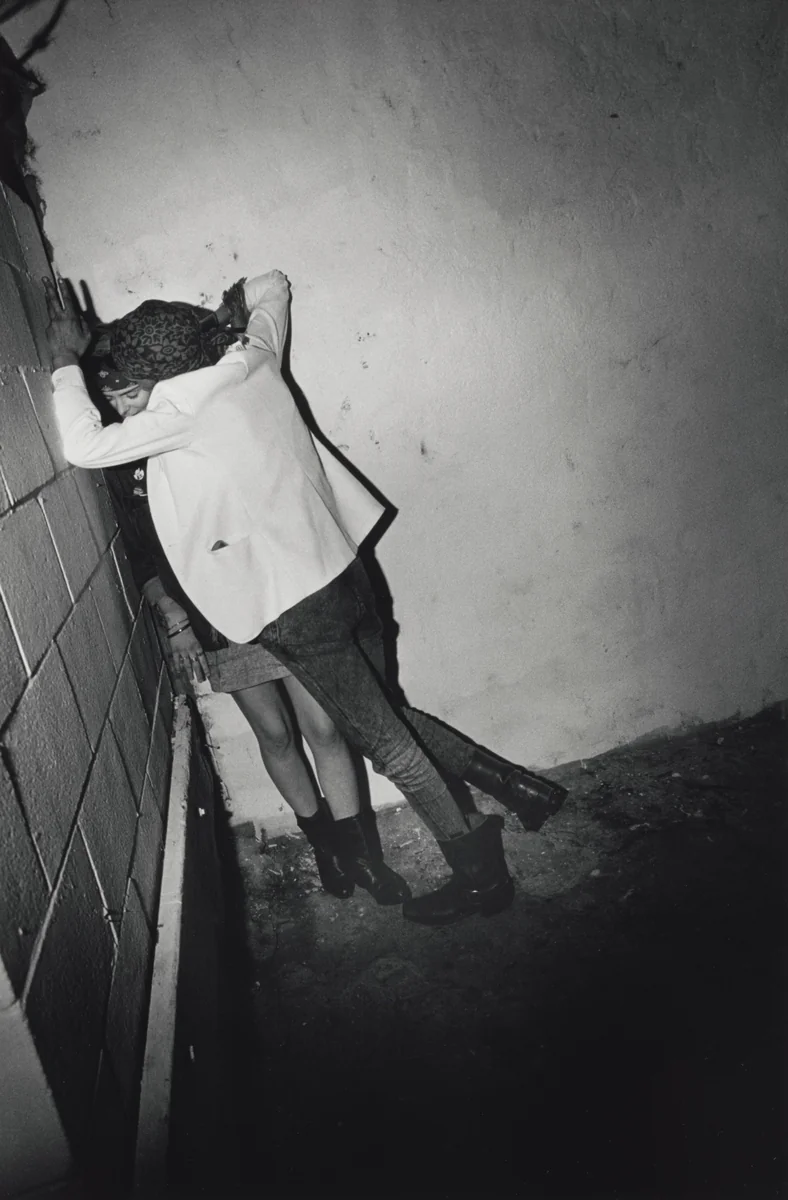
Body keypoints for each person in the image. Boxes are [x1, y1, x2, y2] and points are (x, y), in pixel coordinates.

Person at [46, 269, 567, 926]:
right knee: (388, 713)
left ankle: (480, 875)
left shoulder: (183, 412)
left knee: (387, 742)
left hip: (297, 609)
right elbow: (272, 285)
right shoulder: (253, 357)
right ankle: (517, 787)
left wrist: (67, 359)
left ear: (162, 373)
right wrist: (224, 310)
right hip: (348, 575)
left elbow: (84, 444)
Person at [87, 314, 409, 907]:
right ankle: (325, 847)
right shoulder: (125, 456)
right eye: (110, 395)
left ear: (161, 378)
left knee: (325, 726)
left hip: (282, 591)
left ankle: (364, 852)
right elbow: (143, 552)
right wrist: (175, 619)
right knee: (276, 733)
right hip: (214, 612)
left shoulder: (207, 407)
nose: (122, 405)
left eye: (131, 390)